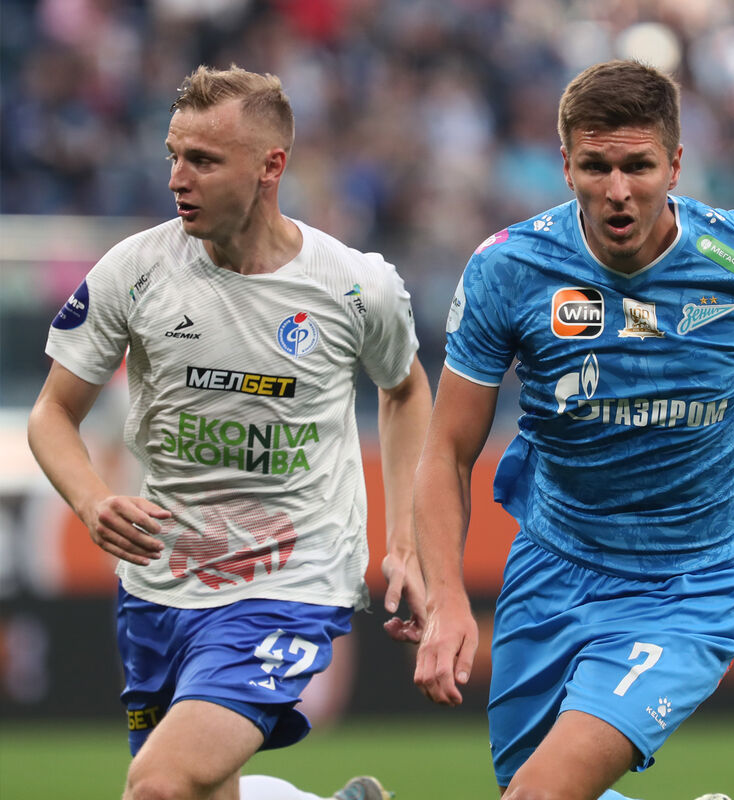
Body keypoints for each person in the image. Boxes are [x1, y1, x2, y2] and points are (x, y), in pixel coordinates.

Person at [410, 59, 734, 800]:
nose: (618, 190)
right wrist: (445, 599)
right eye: (595, 167)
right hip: (553, 563)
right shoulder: (509, 269)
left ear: (675, 164)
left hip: (690, 581)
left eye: (638, 166)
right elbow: (446, 450)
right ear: (565, 166)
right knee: (522, 787)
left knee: (540, 796)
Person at [26, 65, 432, 800]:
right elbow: (53, 412)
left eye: (204, 161)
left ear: (270, 167)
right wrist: (90, 500)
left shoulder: (353, 285)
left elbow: (405, 389)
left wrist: (405, 538)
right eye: (174, 156)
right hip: (161, 579)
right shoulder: (135, 270)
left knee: (158, 785)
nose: (177, 179)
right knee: (202, 791)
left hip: (292, 577)